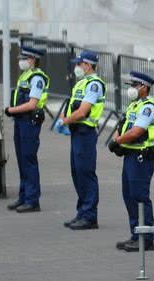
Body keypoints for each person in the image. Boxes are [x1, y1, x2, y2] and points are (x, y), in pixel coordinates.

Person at [109, 71, 154, 252]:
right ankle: (136, 234)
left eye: (134, 85)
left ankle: (146, 238)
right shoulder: (134, 106)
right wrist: (118, 139)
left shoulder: (148, 107)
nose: (131, 88)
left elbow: (137, 132)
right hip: (130, 156)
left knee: (140, 197)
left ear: (144, 87)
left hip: (141, 157)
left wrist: (117, 141)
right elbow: (123, 126)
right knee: (129, 196)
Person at [57, 50, 106, 230]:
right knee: (77, 173)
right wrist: (66, 116)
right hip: (77, 132)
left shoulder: (94, 84)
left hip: (85, 132)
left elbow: (83, 111)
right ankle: (82, 212)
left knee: (85, 173)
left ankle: (90, 215)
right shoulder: (82, 83)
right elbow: (73, 106)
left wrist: (65, 120)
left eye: (79, 64)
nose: (76, 67)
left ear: (87, 64)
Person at [4, 46, 49, 213]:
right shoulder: (25, 75)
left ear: (32, 59)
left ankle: (32, 200)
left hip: (29, 122)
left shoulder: (37, 78)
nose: (20, 61)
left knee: (29, 160)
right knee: (22, 160)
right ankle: (23, 196)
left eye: (24, 58)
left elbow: (32, 103)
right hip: (20, 122)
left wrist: (11, 110)